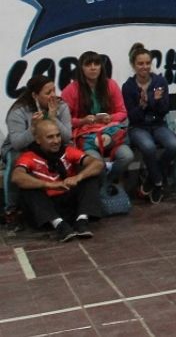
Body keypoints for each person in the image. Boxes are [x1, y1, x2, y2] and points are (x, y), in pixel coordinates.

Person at [12, 119, 104, 242]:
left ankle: (82, 221)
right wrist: (49, 185)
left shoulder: (67, 150)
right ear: (38, 140)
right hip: (47, 209)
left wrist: (78, 177)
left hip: (69, 202)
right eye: (50, 137)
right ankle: (60, 226)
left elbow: (97, 164)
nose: (56, 141)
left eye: (58, 135)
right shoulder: (28, 156)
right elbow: (17, 177)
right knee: (27, 189)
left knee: (91, 176)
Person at [2, 75, 72, 229]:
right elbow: (17, 143)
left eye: (54, 90)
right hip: (23, 148)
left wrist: (54, 119)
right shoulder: (19, 111)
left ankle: (69, 200)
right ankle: (11, 210)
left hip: (49, 147)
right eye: (48, 93)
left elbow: (67, 138)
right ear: (34, 95)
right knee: (17, 161)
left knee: (72, 153)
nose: (53, 95)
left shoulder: (61, 106)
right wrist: (33, 128)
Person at [61, 51, 134, 190]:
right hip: (86, 137)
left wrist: (110, 118)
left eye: (97, 64)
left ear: (101, 67)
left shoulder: (110, 85)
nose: (93, 68)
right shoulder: (70, 90)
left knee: (127, 156)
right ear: (81, 68)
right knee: (96, 163)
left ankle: (108, 183)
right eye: (88, 64)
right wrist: (82, 121)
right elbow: (65, 121)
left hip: (110, 134)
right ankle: (103, 190)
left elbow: (122, 112)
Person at [122, 43, 176, 203]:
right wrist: (142, 105)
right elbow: (133, 117)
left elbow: (165, 109)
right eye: (140, 63)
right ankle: (159, 183)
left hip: (158, 124)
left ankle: (151, 179)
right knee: (148, 147)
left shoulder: (160, 81)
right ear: (133, 65)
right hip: (138, 127)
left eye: (148, 63)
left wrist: (155, 102)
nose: (145, 67)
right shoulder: (128, 87)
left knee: (174, 146)